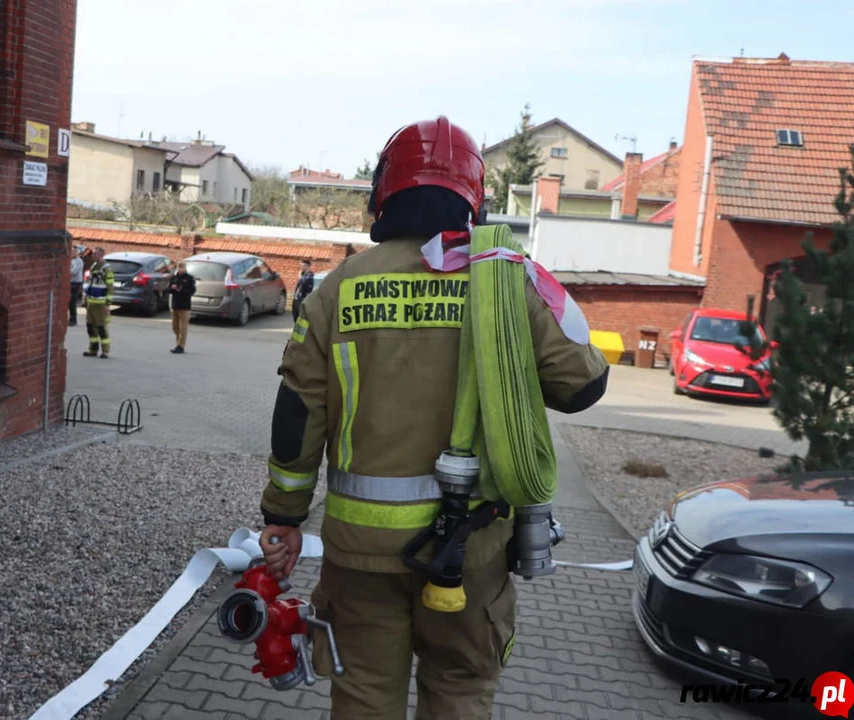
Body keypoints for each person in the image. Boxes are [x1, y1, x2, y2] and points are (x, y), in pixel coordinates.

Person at [257, 116, 610, 719]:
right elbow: (584, 385)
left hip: (359, 553)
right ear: (474, 198)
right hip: (471, 554)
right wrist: (534, 288)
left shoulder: (336, 290)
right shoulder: (503, 279)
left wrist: (283, 520)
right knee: (461, 691)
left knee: (365, 696)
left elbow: (296, 422)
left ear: (382, 194)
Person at [83, 247, 114, 358]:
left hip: (101, 303)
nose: (93, 255)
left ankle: (105, 351)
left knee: (101, 327)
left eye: (95, 254)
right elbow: (89, 284)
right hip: (91, 302)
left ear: (100, 255)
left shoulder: (106, 268)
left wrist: (107, 303)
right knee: (90, 326)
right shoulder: (93, 266)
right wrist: (85, 298)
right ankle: (93, 349)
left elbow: (110, 286)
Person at [167, 261, 196, 354]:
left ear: (185, 269)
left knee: (183, 327)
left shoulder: (189, 278)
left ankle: (180, 345)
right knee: (175, 327)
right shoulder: (174, 278)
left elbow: (192, 291)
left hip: (185, 307)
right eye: (179, 269)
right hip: (175, 305)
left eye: (182, 269)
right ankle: (179, 342)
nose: (181, 271)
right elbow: (168, 290)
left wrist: (181, 289)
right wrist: (172, 288)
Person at [69, 246, 84, 326]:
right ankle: (70, 318)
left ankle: (73, 319)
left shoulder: (79, 261)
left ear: (77, 253)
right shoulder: (70, 260)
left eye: (75, 252)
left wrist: (67, 271)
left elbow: (74, 272)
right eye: (72, 251)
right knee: (69, 301)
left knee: (72, 301)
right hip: (70, 282)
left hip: (75, 283)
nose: (73, 253)